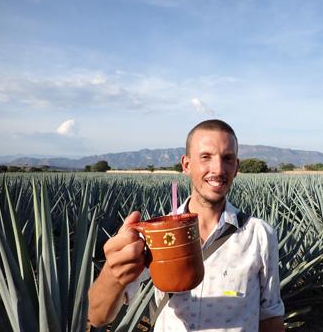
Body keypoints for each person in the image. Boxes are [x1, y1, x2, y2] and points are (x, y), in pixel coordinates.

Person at [88, 119, 285, 332]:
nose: (218, 169)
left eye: (227, 158)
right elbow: (98, 317)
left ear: (236, 167)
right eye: (206, 157)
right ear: (187, 165)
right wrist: (111, 274)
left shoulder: (258, 234)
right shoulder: (157, 234)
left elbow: (270, 315)